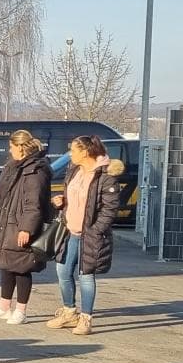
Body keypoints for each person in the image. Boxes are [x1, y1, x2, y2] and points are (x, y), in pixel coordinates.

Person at [45, 136, 123, 336]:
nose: (71, 154)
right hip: (69, 230)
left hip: (91, 234)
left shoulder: (105, 176)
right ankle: (69, 311)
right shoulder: (74, 171)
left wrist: (96, 230)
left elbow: (110, 209)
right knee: (63, 271)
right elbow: (71, 198)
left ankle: (86, 318)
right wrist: (60, 202)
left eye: (74, 150)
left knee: (86, 275)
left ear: (86, 152)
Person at [0, 129, 52, 325]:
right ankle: (4, 307)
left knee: (22, 267)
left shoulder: (35, 170)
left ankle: (21, 310)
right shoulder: (12, 167)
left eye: (11, 147)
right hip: (7, 222)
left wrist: (26, 229)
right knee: (6, 263)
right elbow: (1, 198)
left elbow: (33, 203)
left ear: (20, 147)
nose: (9, 150)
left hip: (21, 225)